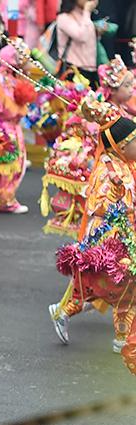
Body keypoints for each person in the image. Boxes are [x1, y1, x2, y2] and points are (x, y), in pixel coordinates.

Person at [49, 96, 136, 353]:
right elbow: (100, 206)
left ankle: (66, 311)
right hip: (109, 236)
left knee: (112, 289)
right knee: (118, 287)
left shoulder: (126, 165)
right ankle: (121, 340)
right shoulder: (108, 171)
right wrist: (122, 207)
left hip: (125, 231)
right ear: (121, 145)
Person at [0, 39, 35, 213]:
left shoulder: (11, 78)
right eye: (25, 58)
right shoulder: (1, 80)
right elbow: (4, 108)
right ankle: (5, 200)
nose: (29, 62)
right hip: (4, 127)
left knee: (14, 163)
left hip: (11, 126)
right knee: (11, 164)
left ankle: (2, 198)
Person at [56, 0, 100, 86]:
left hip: (90, 69)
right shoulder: (64, 17)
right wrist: (87, 11)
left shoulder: (84, 15)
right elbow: (82, 37)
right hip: (73, 70)